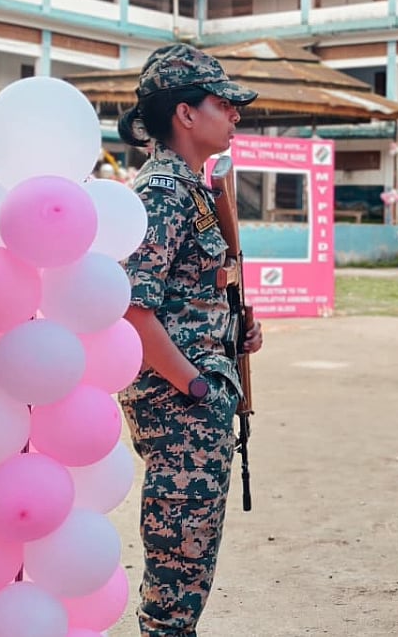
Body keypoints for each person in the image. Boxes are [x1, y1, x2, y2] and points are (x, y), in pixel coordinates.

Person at [116, 43, 264, 637]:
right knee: (176, 581)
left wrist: (232, 332)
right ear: (184, 113)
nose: (234, 114)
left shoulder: (193, 190)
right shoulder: (161, 193)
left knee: (188, 571)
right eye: (223, 103)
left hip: (194, 403)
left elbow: (181, 298)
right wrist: (198, 385)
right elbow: (130, 306)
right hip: (179, 408)